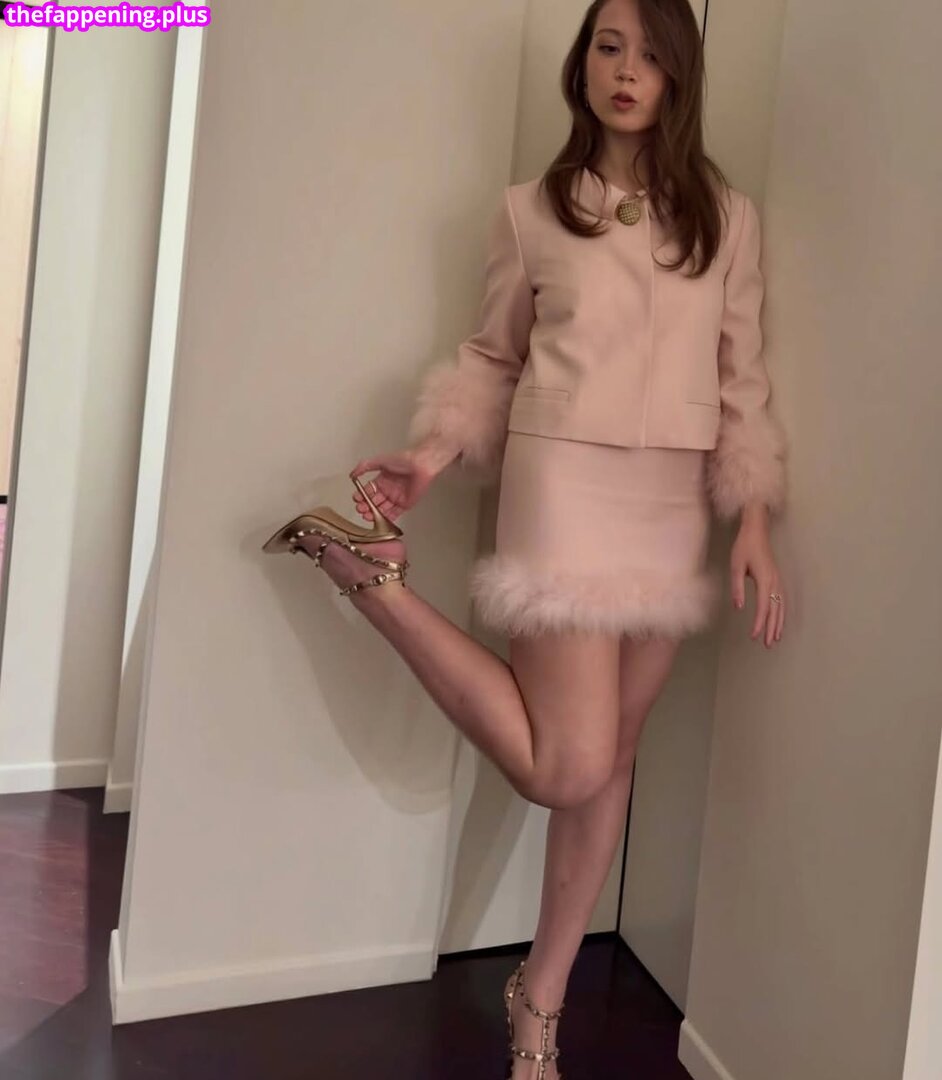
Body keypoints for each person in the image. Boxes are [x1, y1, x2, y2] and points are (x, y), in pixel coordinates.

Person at [263, 0, 788, 1075]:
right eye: (608, 47)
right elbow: (492, 358)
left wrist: (755, 520)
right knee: (565, 766)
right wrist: (431, 455)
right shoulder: (530, 212)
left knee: (614, 759)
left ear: (679, 76)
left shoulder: (728, 219)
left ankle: (539, 1000)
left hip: (670, 502)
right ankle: (367, 576)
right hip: (562, 486)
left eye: (649, 54)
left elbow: (743, 378)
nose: (626, 71)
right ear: (581, 66)